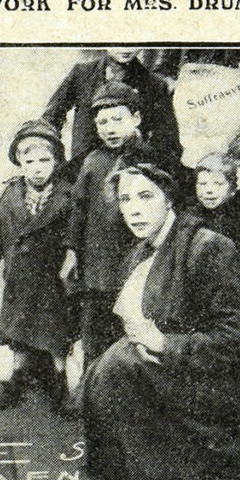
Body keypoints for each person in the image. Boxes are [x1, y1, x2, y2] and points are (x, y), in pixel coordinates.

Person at [81, 160, 240, 480]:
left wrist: (165, 343)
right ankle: (148, 463)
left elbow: (235, 339)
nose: (134, 210)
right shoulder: (139, 252)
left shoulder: (207, 246)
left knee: (116, 367)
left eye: (146, 197)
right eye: (125, 200)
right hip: (182, 369)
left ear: (169, 200)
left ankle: (167, 465)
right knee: (105, 368)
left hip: (227, 380)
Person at [0, 120, 74, 411]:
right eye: (29, 161)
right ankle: (17, 378)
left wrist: (72, 265)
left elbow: (76, 237)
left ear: (56, 161)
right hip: (18, 279)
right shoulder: (10, 196)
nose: (37, 167)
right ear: (19, 162)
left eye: (45, 160)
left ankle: (60, 383)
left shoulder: (67, 196)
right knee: (19, 337)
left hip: (51, 281)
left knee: (55, 338)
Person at [61, 81, 151, 367]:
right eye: (102, 122)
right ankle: (91, 397)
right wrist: (72, 250)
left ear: (135, 119)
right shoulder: (93, 162)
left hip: (136, 262)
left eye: (117, 120)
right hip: (98, 268)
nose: (110, 128)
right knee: (95, 337)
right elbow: (79, 209)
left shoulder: (150, 158)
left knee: (133, 335)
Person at [42, 48, 181, 171]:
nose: (126, 48)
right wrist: (57, 164)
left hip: (131, 174)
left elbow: (168, 140)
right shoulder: (81, 74)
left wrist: (149, 168)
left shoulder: (154, 84)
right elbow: (50, 119)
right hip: (83, 170)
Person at [184, 152, 240, 247]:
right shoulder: (189, 219)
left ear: (233, 189)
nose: (209, 190)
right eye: (202, 184)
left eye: (218, 184)